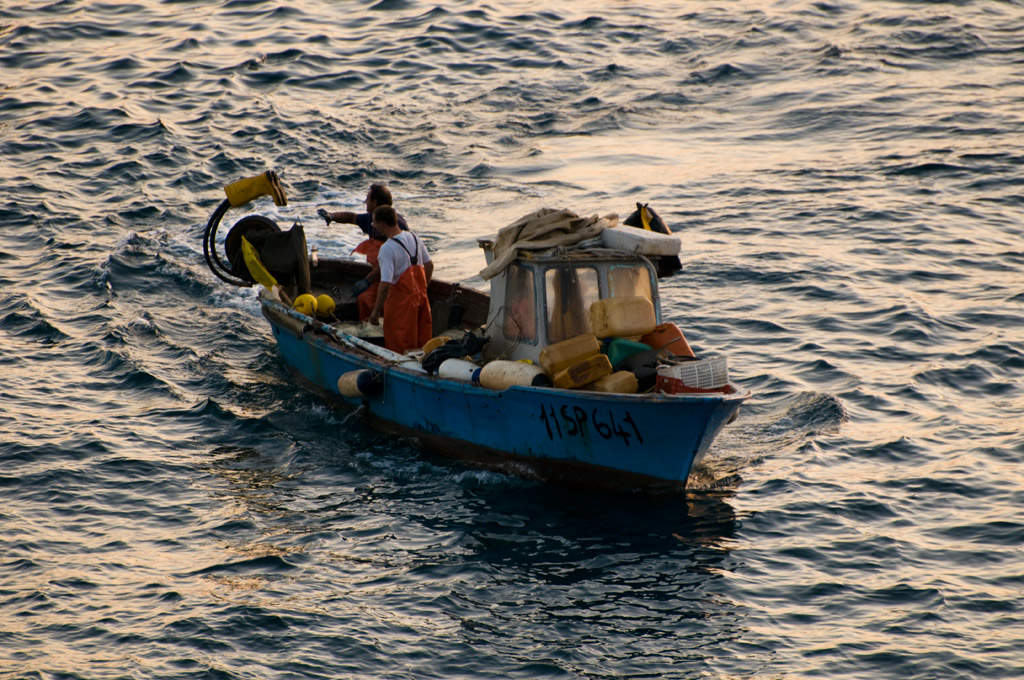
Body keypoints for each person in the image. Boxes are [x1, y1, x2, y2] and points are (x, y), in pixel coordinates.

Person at [317, 184, 409, 321]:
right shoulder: (373, 218)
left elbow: (388, 265)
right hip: (380, 275)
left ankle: (372, 327)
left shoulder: (395, 227)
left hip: (396, 280)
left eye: (367, 198)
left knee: (365, 298)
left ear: (375, 203)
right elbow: (352, 218)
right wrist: (332, 216)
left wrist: (366, 281)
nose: (365, 202)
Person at [367, 205, 433, 354]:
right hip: (422, 301)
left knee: (400, 345)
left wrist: (376, 311)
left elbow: (385, 283)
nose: (374, 226)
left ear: (382, 224)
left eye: (374, 223)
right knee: (423, 343)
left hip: (400, 307)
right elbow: (429, 266)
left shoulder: (387, 248)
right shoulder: (414, 237)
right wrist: (422, 289)